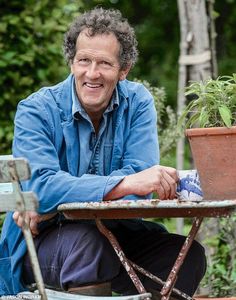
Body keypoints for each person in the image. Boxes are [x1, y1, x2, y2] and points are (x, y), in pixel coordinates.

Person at [0, 7, 206, 298]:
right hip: (41, 242)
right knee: (88, 246)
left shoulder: (137, 103)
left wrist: (51, 209)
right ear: (72, 62)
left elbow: (144, 186)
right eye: (84, 60)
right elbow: (41, 186)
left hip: (113, 233)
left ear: (124, 70)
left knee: (186, 256)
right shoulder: (37, 110)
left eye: (105, 64)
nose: (92, 73)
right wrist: (125, 183)